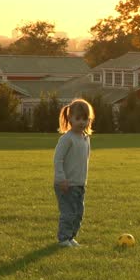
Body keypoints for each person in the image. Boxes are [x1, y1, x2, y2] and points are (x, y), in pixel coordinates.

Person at [53, 98, 94, 247]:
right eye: (78, 118)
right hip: (66, 184)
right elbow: (58, 159)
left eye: (85, 119)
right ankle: (63, 238)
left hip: (79, 184)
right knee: (68, 213)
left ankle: (71, 237)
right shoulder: (67, 139)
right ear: (70, 118)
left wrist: (83, 181)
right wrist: (61, 178)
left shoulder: (85, 139)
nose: (81, 122)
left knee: (78, 214)